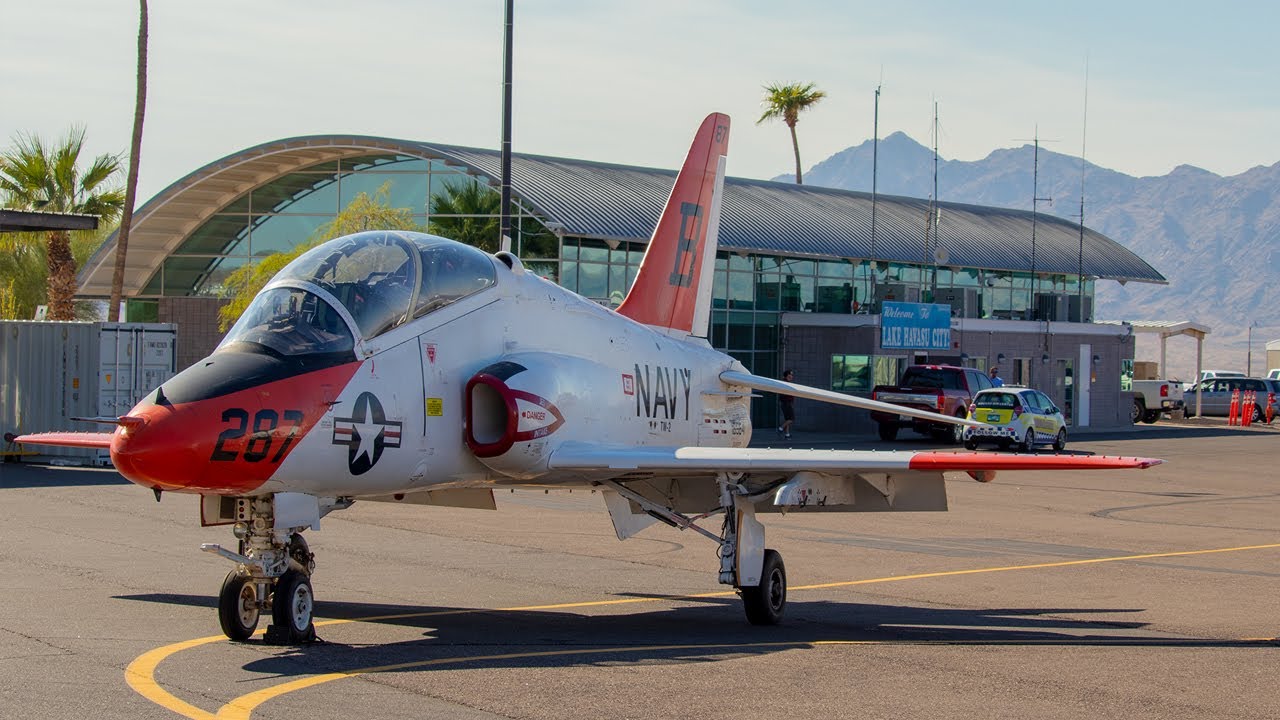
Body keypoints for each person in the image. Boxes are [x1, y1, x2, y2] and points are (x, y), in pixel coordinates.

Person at [778, 369, 796, 439]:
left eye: (792, 375)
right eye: (790, 374)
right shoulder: (785, 383)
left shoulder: (786, 382)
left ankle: (787, 434)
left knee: (787, 419)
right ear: (786, 375)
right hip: (786, 403)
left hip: (785, 403)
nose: (791, 376)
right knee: (791, 418)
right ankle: (780, 428)